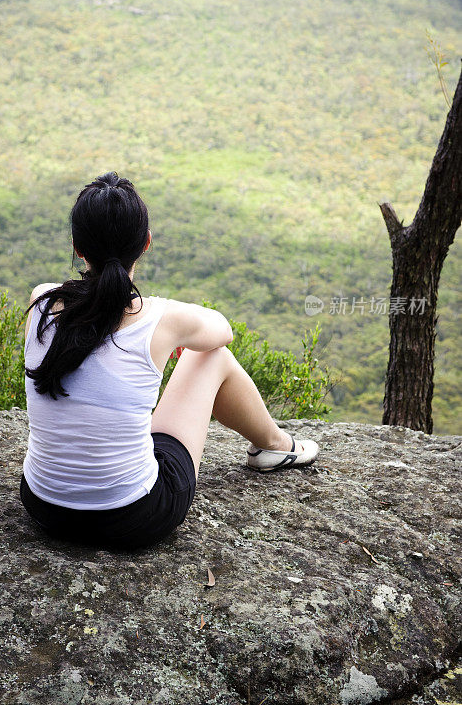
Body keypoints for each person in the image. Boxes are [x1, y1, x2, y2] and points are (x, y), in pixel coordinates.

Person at [20, 172, 319, 550]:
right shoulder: (160, 319)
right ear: (145, 243)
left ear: (78, 247)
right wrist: (171, 338)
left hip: (45, 505)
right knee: (213, 357)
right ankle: (275, 445)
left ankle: (273, 446)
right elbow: (222, 331)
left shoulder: (42, 301)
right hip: (133, 517)